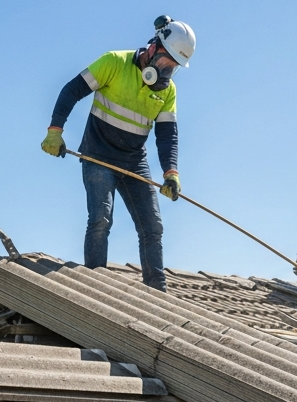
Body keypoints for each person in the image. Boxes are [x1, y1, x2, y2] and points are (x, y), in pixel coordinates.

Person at [41, 16, 196, 291]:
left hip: (135, 161)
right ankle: (95, 286)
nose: (165, 72)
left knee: (153, 227)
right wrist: (56, 130)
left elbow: (167, 135)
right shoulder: (113, 62)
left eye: (172, 68)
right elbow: (72, 90)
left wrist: (171, 172)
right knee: (101, 219)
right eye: (164, 63)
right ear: (153, 47)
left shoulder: (168, 91)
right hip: (97, 156)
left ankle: (157, 293)